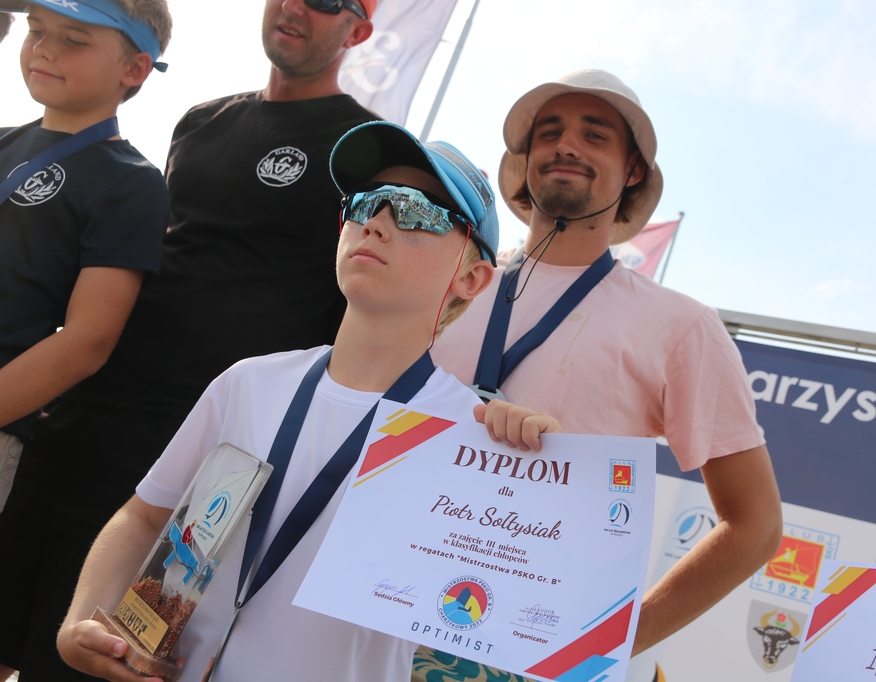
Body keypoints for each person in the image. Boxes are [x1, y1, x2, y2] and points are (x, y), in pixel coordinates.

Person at [57, 121, 561, 682]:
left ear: (472, 278)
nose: (377, 223)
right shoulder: (248, 383)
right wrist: (80, 622)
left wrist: (539, 476)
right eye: (366, 202)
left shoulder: (472, 438)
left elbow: (526, 612)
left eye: (417, 211)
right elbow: (145, 516)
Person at [0, 0, 379, 679]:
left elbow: (355, 304)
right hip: (83, 409)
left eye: (324, 0)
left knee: (98, 656)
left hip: (200, 451)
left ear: (359, 28)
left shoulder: (363, 149)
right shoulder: (203, 120)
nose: (295, 7)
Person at [429, 69, 784, 670]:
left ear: (633, 170)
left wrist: (604, 646)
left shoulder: (683, 327)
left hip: (525, 650)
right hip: (379, 611)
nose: (566, 146)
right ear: (525, 159)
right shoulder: (446, 282)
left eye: (595, 135)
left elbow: (756, 524)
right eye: (549, 133)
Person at [0, 0, 170, 516]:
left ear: (134, 68)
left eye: (74, 39)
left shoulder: (132, 181)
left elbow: (87, 342)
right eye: (36, 29)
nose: (44, 48)